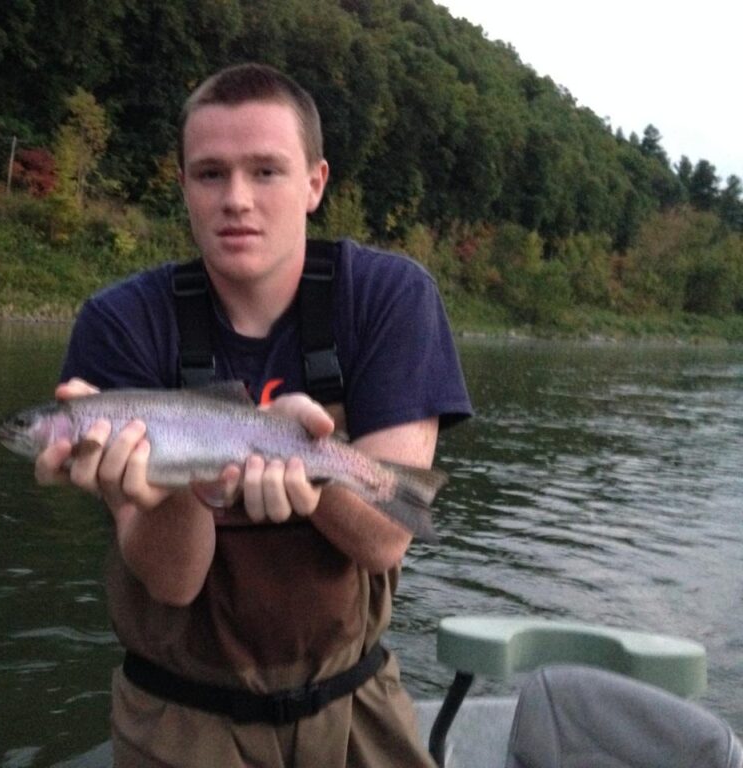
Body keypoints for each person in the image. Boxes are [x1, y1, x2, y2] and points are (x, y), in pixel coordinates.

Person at [35, 62, 472, 767]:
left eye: (266, 171)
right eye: (210, 174)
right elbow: (173, 582)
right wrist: (179, 486)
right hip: (180, 718)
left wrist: (310, 469)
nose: (236, 199)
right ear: (183, 187)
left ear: (315, 184)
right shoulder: (119, 323)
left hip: (356, 703)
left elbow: (387, 540)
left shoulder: (389, 297)